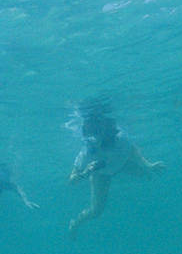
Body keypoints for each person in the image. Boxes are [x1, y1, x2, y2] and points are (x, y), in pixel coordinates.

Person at [68, 101, 165, 239]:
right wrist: (86, 172)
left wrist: (148, 165)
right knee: (97, 211)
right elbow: (72, 181)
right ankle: (75, 223)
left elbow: (132, 152)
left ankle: (146, 172)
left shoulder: (120, 140)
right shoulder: (88, 152)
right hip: (100, 174)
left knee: (145, 173)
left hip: (122, 164)